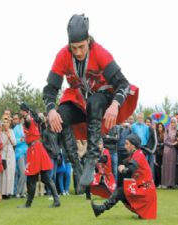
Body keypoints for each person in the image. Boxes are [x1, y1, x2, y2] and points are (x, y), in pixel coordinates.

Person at [43, 14, 138, 190]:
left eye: (81, 47)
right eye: (74, 48)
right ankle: (77, 165)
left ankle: (92, 155)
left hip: (103, 98)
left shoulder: (100, 53)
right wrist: (50, 110)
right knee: (60, 116)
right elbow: (50, 89)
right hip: (79, 99)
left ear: (88, 40)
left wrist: (115, 105)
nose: (78, 52)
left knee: (94, 102)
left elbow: (123, 83)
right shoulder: (63, 55)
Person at [91, 134, 157, 219]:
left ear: (132, 146)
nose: (124, 146)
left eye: (126, 144)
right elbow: (126, 163)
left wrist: (123, 169)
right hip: (143, 189)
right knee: (121, 191)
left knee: (121, 191)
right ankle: (101, 209)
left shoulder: (138, 155)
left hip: (145, 192)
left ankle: (101, 209)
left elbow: (131, 169)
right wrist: (122, 165)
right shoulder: (135, 154)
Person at [18, 103, 60, 208]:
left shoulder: (28, 119)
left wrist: (27, 114)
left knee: (31, 178)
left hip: (34, 150)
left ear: (26, 111)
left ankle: (28, 204)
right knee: (45, 178)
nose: (20, 112)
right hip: (37, 147)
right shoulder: (34, 119)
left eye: (21, 110)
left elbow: (28, 120)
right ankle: (56, 200)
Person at [0, 116, 16, 199]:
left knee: (10, 173)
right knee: (4, 174)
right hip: (3, 155)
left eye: (7, 122)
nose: (6, 124)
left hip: (11, 154)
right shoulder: (1, 133)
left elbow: (14, 143)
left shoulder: (12, 131)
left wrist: (9, 136)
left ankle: (9, 192)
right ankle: (3, 193)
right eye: (4, 122)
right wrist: (6, 138)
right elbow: (1, 145)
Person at [12, 113, 28, 198]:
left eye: (17, 119)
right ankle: (18, 192)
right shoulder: (14, 129)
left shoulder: (26, 128)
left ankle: (22, 192)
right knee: (23, 172)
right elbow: (14, 142)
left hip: (26, 152)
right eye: (14, 119)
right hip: (19, 153)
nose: (16, 120)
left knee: (25, 173)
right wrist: (21, 140)